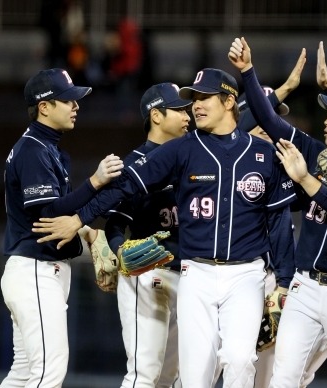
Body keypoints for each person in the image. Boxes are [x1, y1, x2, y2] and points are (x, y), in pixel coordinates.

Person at [32, 67, 297, 388]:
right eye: (192, 98)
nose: (195, 105)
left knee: (240, 361)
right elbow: (124, 186)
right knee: (193, 375)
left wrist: (284, 282)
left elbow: (280, 220)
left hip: (246, 275)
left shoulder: (264, 154)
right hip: (194, 273)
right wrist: (80, 219)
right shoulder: (182, 149)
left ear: (230, 103)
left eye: (204, 97)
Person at [229, 37, 327, 387]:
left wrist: (308, 180)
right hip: (305, 285)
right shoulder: (315, 151)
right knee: (283, 378)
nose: (326, 120)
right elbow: (268, 119)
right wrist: (249, 72)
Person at [1, 68, 123, 388]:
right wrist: (96, 182)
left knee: (24, 373)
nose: (76, 105)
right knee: (48, 372)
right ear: (44, 106)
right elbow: (48, 213)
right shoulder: (33, 149)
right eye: (67, 100)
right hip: (36, 271)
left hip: (36, 272)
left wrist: (88, 232)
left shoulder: (49, 149)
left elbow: (61, 217)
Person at [103, 83, 191, 388]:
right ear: (156, 115)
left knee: (171, 377)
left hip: (190, 276)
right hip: (149, 273)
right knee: (144, 374)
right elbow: (114, 223)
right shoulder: (133, 165)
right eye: (179, 109)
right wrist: (120, 250)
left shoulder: (192, 157)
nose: (187, 115)